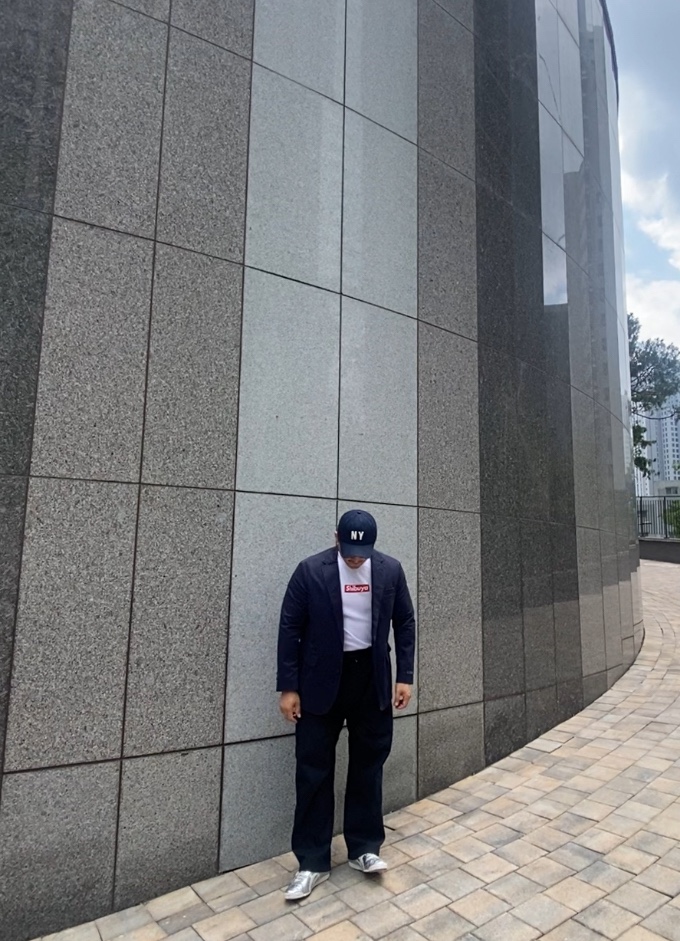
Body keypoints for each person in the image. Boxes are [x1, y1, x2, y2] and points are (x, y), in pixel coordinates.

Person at [277, 509, 416, 900]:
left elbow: (405, 622)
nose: (356, 559)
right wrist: (288, 688)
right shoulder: (310, 571)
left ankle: (365, 847)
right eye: (349, 551)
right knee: (313, 770)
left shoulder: (390, 570)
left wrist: (404, 676)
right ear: (336, 538)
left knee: (369, 764)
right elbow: (289, 628)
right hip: (320, 681)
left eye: (362, 552)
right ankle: (311, 862)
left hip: (370, 678)